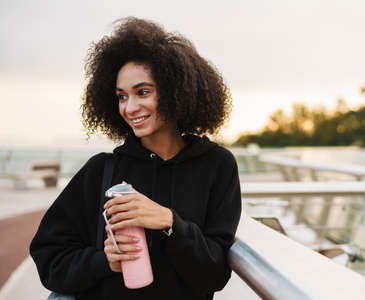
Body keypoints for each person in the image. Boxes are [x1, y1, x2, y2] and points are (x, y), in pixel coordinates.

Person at [30, 17, 242, 300]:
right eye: (121, 96)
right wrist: (103, 261)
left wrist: (169, 222)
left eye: (143, 92)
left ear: (176, 91)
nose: (130, 107)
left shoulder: (217, 165)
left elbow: (215, 275)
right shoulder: (102, 170)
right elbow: (49, 257)